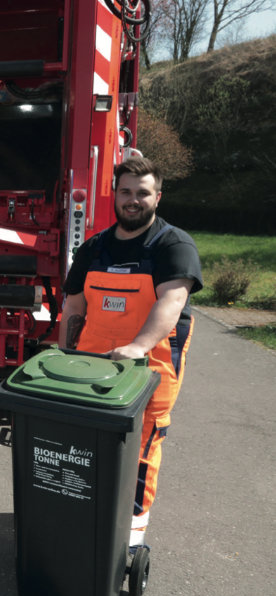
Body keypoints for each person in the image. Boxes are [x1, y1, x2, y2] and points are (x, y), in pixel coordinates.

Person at [59, 156, 203, 548]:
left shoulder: (172, 245)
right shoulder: (94, 248)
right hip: (89, 370)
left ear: (158, 197)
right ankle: (86, 510)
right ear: (115, 195)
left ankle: (131, 532)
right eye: (126, 192)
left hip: (149, 369)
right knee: (84, 442)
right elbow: (74, 307)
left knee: (138, 450)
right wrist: (63, 355)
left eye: (143, 193)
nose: (133, 200)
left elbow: (171, 302)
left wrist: (138, 346)